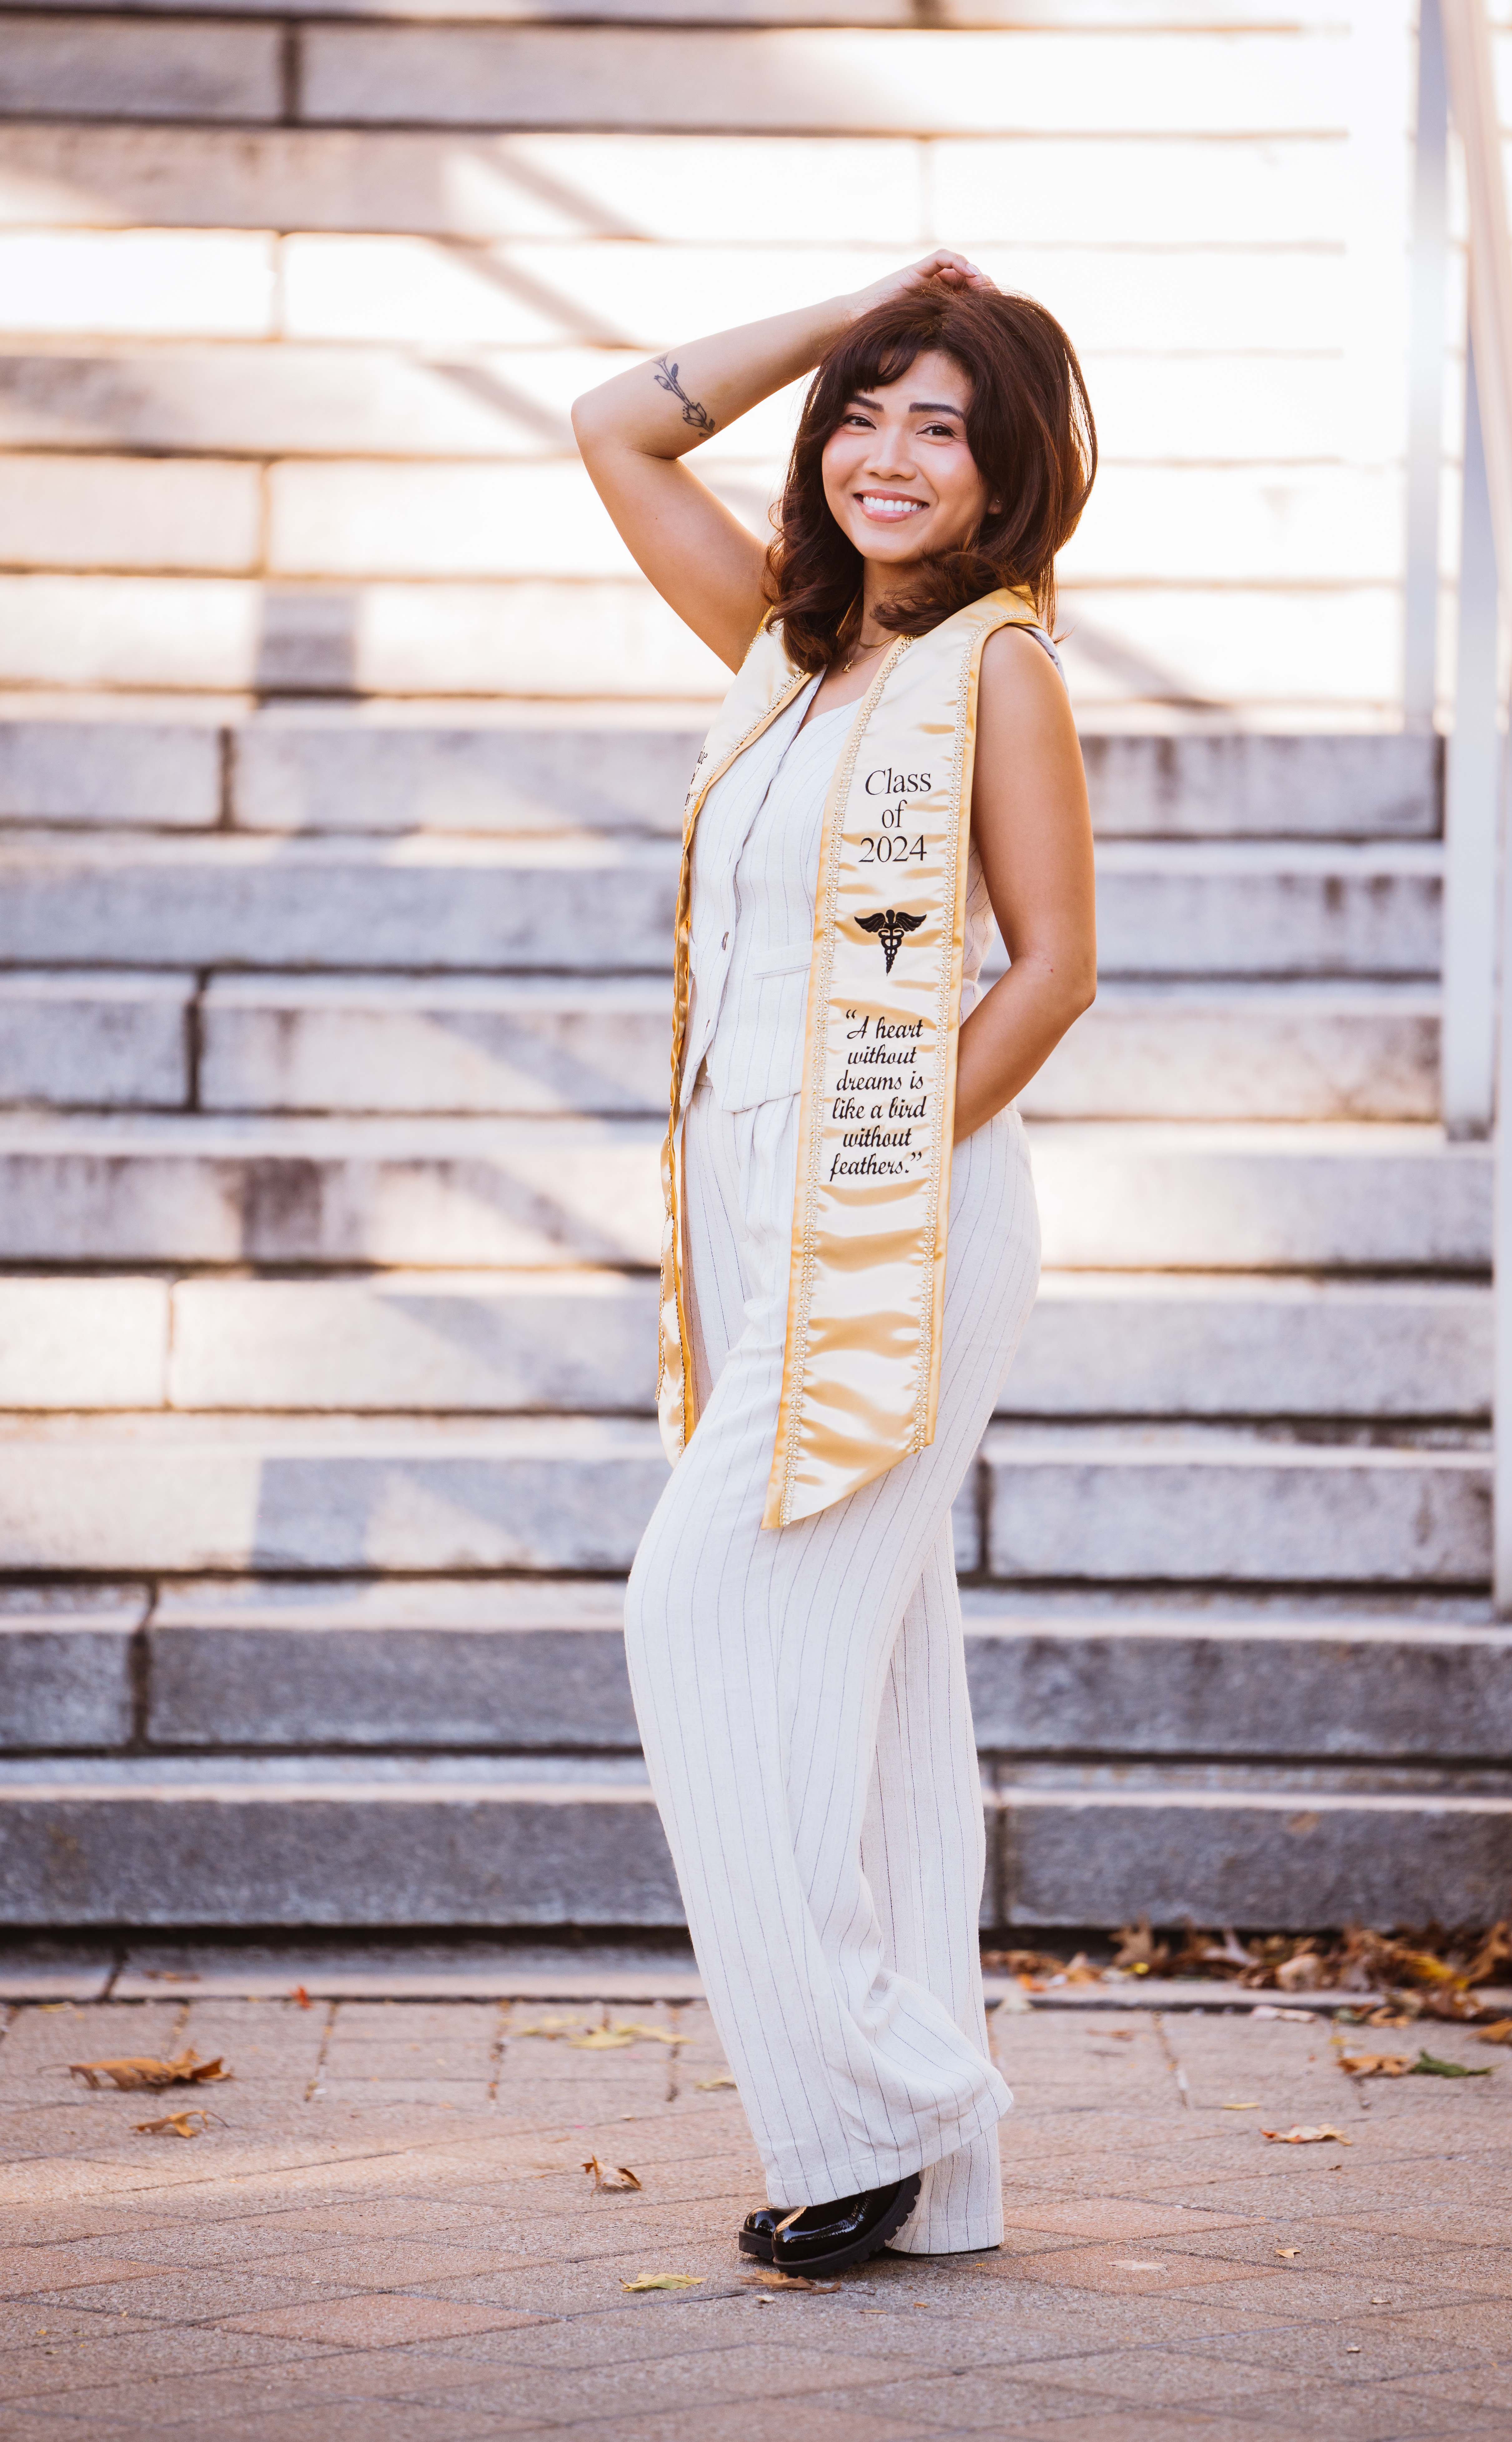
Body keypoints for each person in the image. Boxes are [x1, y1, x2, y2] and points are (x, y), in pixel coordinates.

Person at [573, 251, 1098, 2276]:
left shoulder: (1004, 672)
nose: (888, 456)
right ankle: (936, 2185)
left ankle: (871, 2109)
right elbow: (613, 422)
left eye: (940, 425)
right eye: (865, 414)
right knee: (880, 1705)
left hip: (893, 1194)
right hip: (747, 1185)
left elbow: (1051, 968)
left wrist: (877, 1174)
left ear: (1006, 476)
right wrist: (862, 306)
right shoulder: (787, 657)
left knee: (696, 1613)